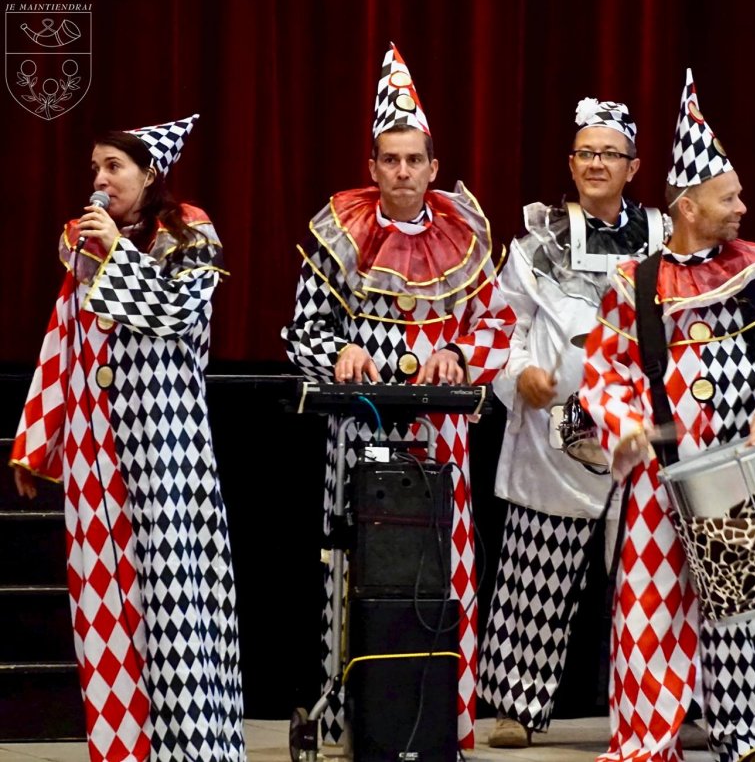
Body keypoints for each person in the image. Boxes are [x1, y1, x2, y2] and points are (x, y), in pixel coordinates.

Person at [281, 45, 514, 748]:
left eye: (415, 159)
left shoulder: (466, 232)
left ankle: (448, 721)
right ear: (373, 164)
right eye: (391, 159)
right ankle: (356, 717)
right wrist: (337, 351)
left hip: (441, 433)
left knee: (447, 570)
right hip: (359, 428)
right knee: (354, 568)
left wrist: (460, 352)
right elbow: (300, 330)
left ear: (433, 165)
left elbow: (499, 322)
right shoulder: (339, 232)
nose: (404, 172)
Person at [579, 68, 755, 762]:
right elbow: (603, 369)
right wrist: (621, 421)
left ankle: (748, 734)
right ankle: (648, 736)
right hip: (660, 470)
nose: (741, 206)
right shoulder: (638, 281)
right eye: (727, 196)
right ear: (687, 206)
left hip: (740, 464)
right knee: (649, 607)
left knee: (746, 606)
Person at [10, 114, 246, 761]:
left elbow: (175, 310)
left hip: (167, 448)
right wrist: (40, 435)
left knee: (173, 606)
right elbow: (64, 340)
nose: (100, 179)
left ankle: (194, 749)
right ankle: (125, 751)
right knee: (109, 608)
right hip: (97, 448)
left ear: (149, 173)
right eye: (95, 167)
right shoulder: (81, 248)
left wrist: (117, 250)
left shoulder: (191, 233)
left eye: (114, 166)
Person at [478, 97, 666, 748]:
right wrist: (517, 374)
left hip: (640, 431)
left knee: (650, 576)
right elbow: (505, 327)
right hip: (555, 428)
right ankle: (516, 707)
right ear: (571, 161)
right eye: (585, 152)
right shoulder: (535, 246)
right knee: (537, 568)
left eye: (608, 153)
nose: (595, 163)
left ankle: (659, 705)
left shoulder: (667, 238)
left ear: (633, 166)